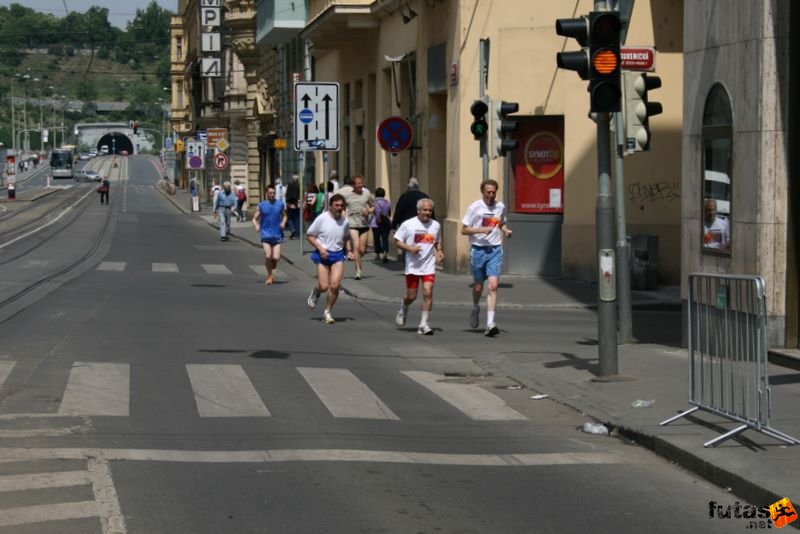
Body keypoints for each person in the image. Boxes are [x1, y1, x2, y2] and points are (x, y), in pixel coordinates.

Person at [461, 179, 512, 337]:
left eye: (493, 192)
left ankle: (490, 323)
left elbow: (500, 223)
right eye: (488, 192)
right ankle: (475, 307)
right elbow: (464, 230)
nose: (491, 195)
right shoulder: (475, 207)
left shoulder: (500, 206)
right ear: (483, 191)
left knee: (493, 286)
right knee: (478, 287)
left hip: (495, 250)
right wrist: (480, 230)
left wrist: (506, 230)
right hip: (478, 250)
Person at [394, 198, 443, 335]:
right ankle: (404, 306)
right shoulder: (408, 224)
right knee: (412, 296)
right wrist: (410, 248)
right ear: (418, 211)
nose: (427, 212)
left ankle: (424, 324)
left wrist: (439, 251)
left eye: (429, 210)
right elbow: (397, 242)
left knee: (428, 292)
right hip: (413, 266)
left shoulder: (436, 225)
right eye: (424, 210)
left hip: (428, 266)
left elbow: (437, 241)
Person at [306, 194, 354, 324]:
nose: (339, 208)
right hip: (323, 254)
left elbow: (346, 237)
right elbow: (310, 235)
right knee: (324, 286)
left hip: (338, 254)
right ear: (330, 206)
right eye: (336, 205)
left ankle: (327, 311)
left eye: (341, 206)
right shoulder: (322, 218)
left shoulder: (345, 222)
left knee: (335, 285)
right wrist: (321, 249)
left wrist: (349, 250)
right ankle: (316, 291)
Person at [252, 184, 287, 285]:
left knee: (276, 258)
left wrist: (283, 222)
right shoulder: (262, 205)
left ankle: (273, 262)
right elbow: (254, 218)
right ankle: (270, 276)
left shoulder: (280, 204)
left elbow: (285, 216)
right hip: (265, 234)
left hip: (277, 234)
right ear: (266, 193)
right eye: (270, 193)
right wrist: (256, 225)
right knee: (268, 256)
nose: (272, 195)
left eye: (273, 193)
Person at [342, 175, 375, 280]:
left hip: (364, 224)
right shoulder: (348, 196)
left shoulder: (367, 194)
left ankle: (358, 258)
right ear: (353, 185)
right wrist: (343, 217)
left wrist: (369, 211)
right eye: (358, 184)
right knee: (356, 246)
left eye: (361, 183)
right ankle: (358, 271)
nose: (361, 185)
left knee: (361, 249)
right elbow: (342, 207)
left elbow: (375, 205)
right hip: (352, 224)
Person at [370, 187, 392, 263]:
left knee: (377, 239)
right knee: (385, 238)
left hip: (375, 223)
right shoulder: (388, 203)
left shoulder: (374, 203)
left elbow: (372, 213)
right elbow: (389, 213)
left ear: (376, 194)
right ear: (384, 194)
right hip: (385, 223)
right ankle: (385, 253)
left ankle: (378, 255)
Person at [285, 174, 301, 238]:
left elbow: (287, 194)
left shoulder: (290, 185)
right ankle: (297, 233)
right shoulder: (299, 185)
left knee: (289, 218)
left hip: (290, 203)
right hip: (297, 203)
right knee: (297, 218)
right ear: (297, 180)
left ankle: (292, 229)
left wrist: (287, 202)